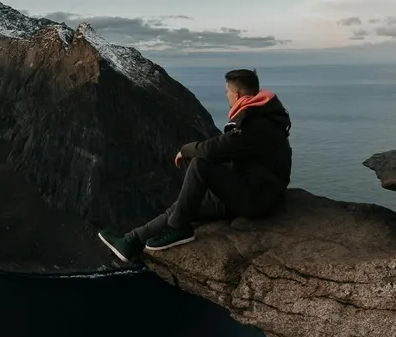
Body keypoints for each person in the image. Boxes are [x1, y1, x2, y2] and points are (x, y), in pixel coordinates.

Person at [98, 68, 292, 260]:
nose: (226, 96)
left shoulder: (255, 124)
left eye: (227, 92)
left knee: (200, 164)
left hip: (259, 198)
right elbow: (232, 151)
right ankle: (130, 241)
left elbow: (213, 149)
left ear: (236, 93)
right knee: (184, 205)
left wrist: (186, 149)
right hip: (253, 189)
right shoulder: (263, 114)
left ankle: (179, 229)